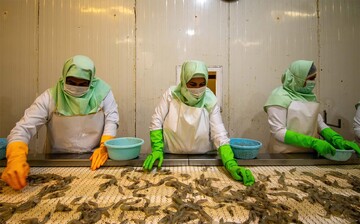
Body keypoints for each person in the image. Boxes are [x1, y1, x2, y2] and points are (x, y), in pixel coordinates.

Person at [2, 55, 119, 190]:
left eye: (83, 84)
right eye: (71, 82)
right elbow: (23, 128)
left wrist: (105, 146)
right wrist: (16, 157)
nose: (76, 87)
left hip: (94, 157)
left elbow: (112, 119)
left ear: (91, 82)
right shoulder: (50, 97)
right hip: (56, 159)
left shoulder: (103, 93)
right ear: (64, 77)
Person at [142, 60, 255, 186]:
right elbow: (156, 121)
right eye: (192, 84)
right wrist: (157, 149)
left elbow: (219, 134)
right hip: (171, 156)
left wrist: (230, 163)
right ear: (184, 81)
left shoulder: (210, 100)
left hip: (204, 158)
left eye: (202, 84)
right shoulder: (171, 95)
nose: (198, 89)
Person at [264, 60, 360, 156]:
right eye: (310, 78)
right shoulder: (279, 96)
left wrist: (336, 139)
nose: (313, 82)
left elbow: (318, 123)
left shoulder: (309, 96)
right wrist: (312, 142)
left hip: (310, 153)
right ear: (297, 79)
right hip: (284, 154)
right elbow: (278, 131)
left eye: (314, 78)